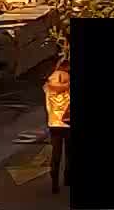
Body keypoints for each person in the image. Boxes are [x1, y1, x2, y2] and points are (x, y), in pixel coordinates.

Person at [44, 58, 72, 194]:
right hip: (68, 122)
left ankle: (54, 183)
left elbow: (46, 92)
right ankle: (67, 177)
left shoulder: (49, 82)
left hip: (54, 122)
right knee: (69, 152)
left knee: (56, 153)